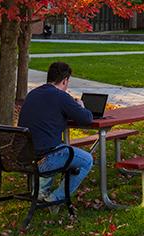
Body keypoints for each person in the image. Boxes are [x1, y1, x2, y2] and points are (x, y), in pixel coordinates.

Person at [17, 61, 94, 204]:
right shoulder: (61, 97)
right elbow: (87, 118)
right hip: (45, 159)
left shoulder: (33, 94)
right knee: (86, 160)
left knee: (55, 145)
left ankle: (40, 192)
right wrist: (81, 107)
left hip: (26, 156)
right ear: (65, 81)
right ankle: (55, 199)